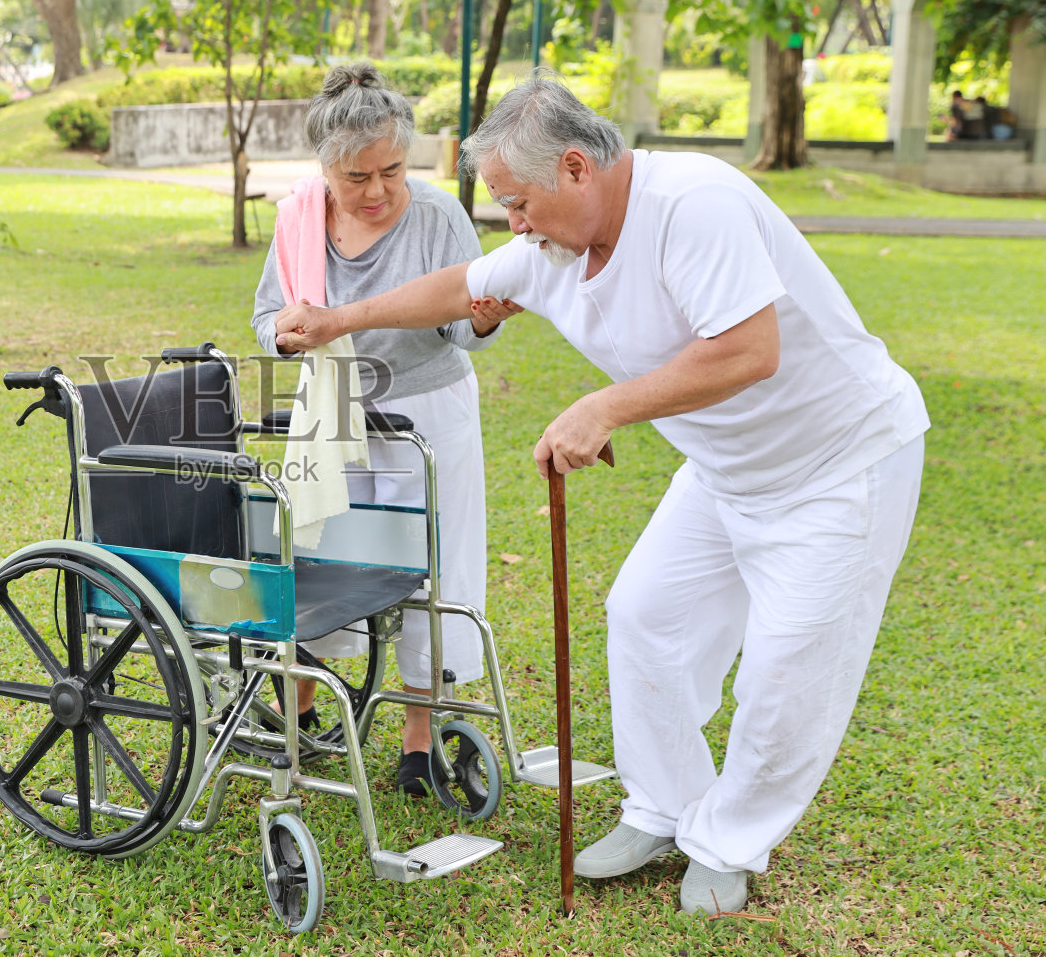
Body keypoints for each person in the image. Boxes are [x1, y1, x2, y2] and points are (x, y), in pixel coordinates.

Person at [273, 71, 928, 914]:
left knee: (786, 663)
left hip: (839, 463)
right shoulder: (556, 246)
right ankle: (663, 806)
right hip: (727, 469)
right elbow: (461, 286)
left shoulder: (694, 203)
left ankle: (731, 841)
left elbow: (748, 350)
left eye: (518, 202)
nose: (513, 222)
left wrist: (607, 404)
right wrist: (337, 321)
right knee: (644, 615)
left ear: (576, 169)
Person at [250, 62, 519, 795]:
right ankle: (297, 713)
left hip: (427, 415)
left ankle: (417, 741)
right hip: (330, 413)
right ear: (326, 170)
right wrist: (284, 331)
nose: (376, 192)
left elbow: (466, 327)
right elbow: (266, 315)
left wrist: (484, 314)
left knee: (433, 566)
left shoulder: (435, 217)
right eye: (356, 178)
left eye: (392, 171)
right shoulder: (297, 218)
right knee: (320, 559)